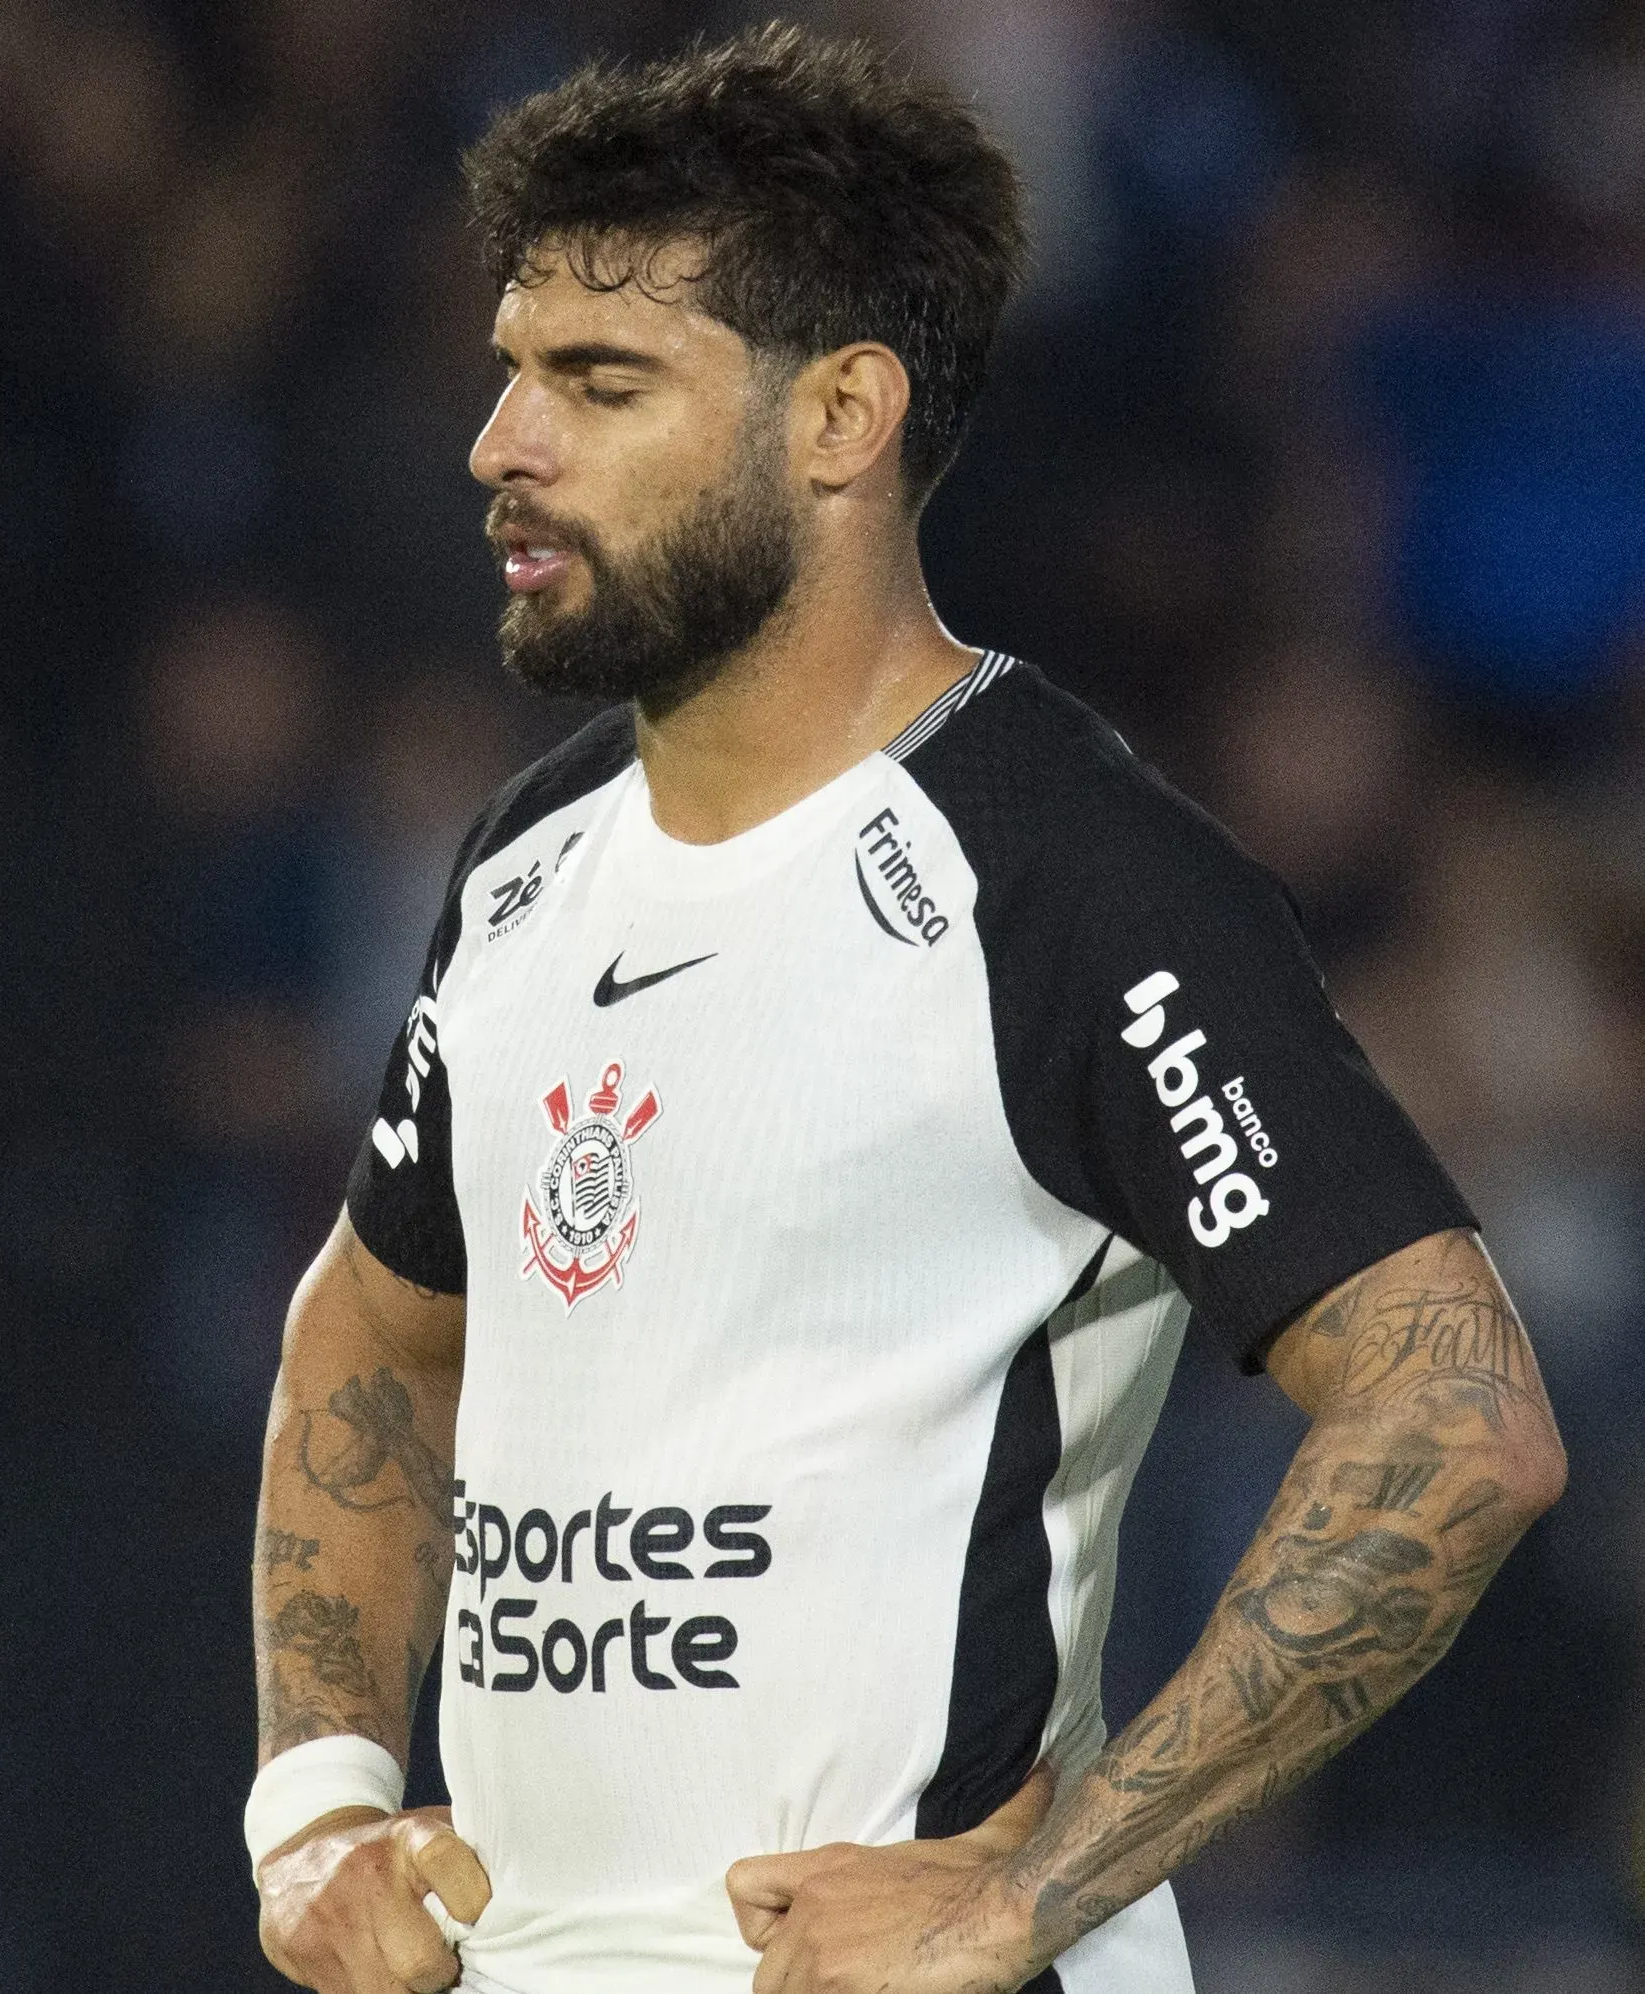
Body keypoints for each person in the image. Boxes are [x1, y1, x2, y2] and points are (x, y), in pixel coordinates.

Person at [243, 29, 1567, 1994]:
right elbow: (370, 1315)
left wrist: (1041, 1894)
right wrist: (320, 1804)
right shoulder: (525, 869)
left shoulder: (1060, 868)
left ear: (841, 414)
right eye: (512, 370)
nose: (502, 442)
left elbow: (1458, 1416)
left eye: (601, 383)